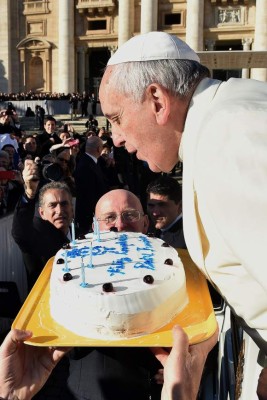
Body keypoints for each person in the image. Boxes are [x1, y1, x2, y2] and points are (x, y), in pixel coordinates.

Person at [98, 31, 267, 398]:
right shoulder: (225, 113)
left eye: (116, 118)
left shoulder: (229, 135)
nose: (116, 139)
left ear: (157, 99)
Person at [0, 324, 219, 400]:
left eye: (130, 215)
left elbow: (194, 347)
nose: (118, 225)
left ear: (145, 224)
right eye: (108, 217)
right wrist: (11, 396)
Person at [12, 160, 74, 290]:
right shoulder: (36, 238)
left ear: (72, 208)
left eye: (64, 204)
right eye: (52, 205)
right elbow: (20, 232)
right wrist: (29, 193)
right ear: (42, 213)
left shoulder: (82, 235)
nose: (59, 210)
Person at [74, 136, 109, 235]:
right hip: (89, 218)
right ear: (99, 149)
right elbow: (88, 194)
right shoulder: (85, 165)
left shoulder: (92, 162)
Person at [146, 175, 186, 249]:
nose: (155, 213)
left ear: (180, 206)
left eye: (162, 205)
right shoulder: (147, 227)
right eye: (151, 205)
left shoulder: (188, 239)